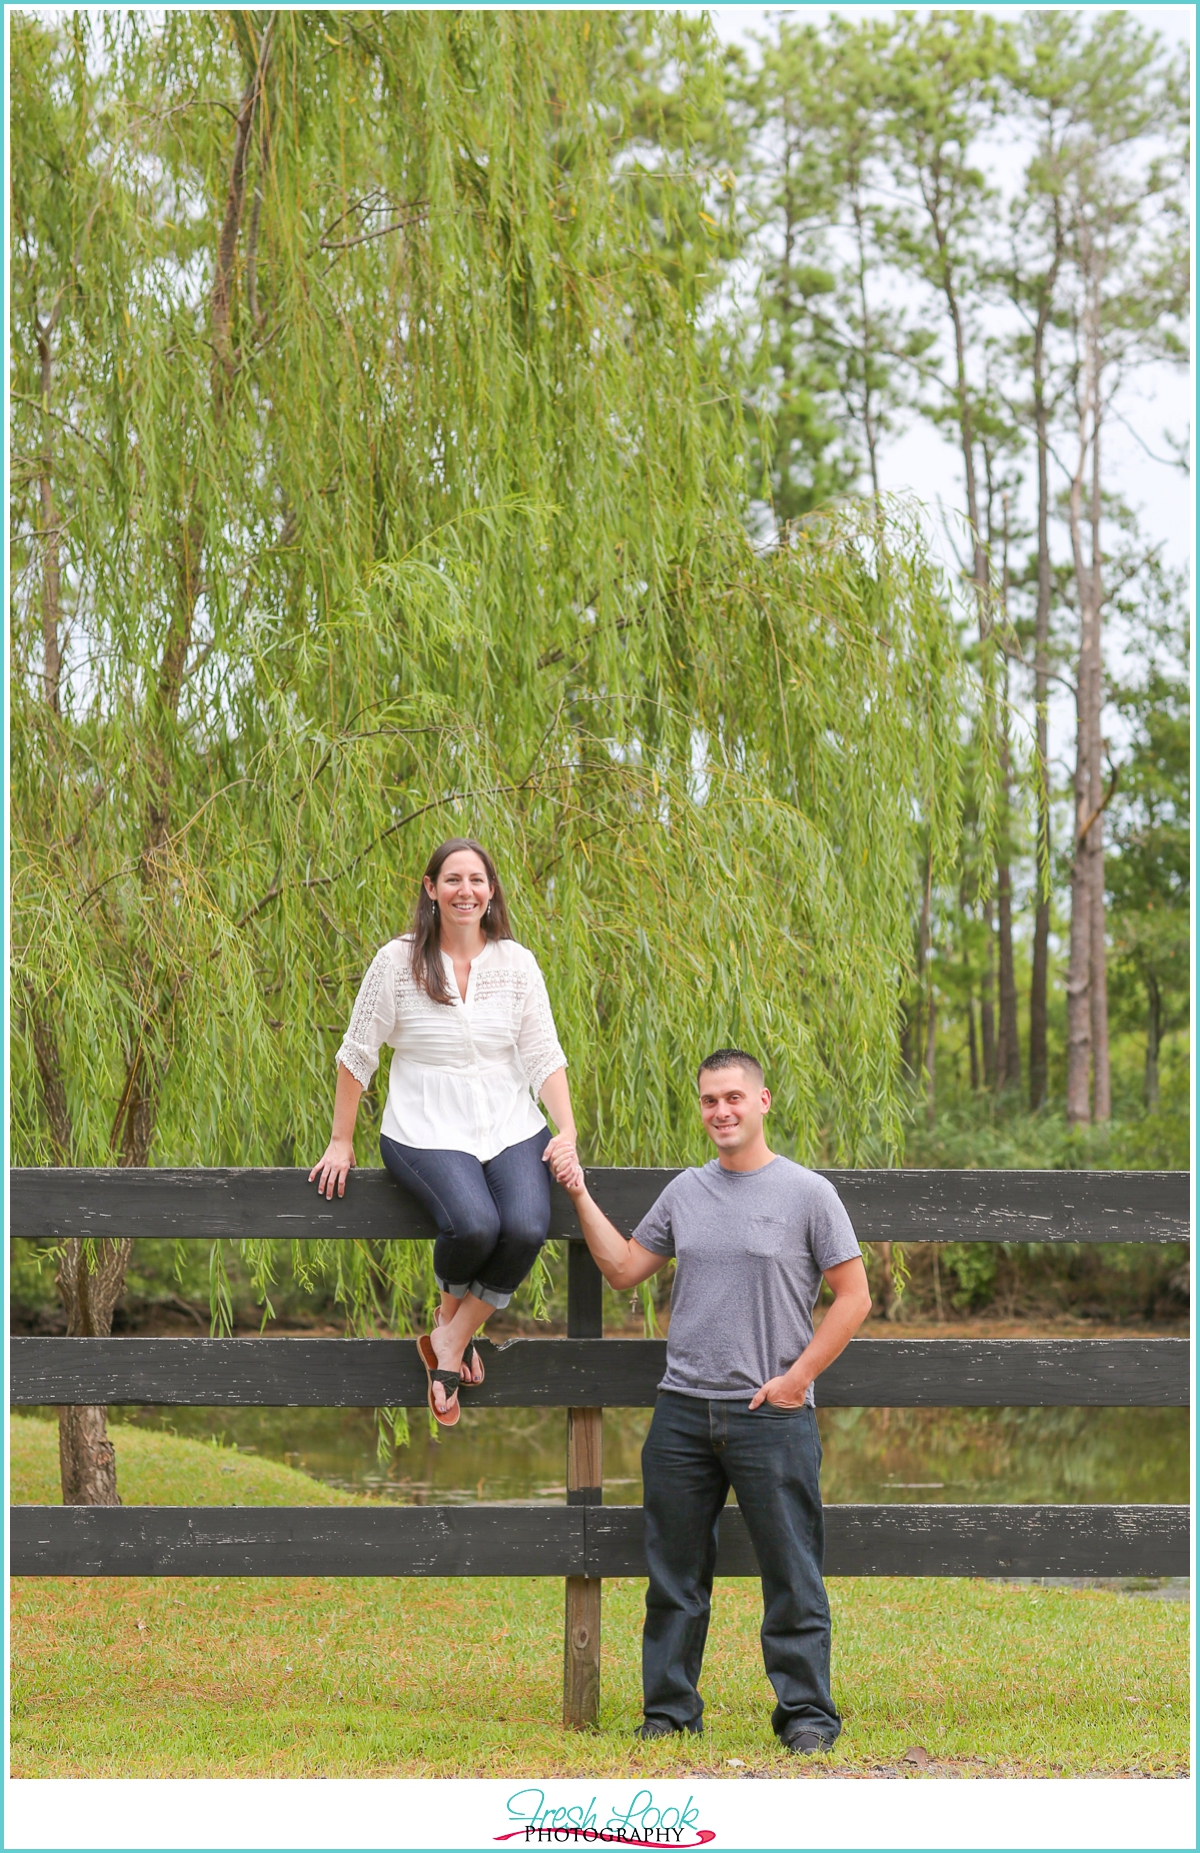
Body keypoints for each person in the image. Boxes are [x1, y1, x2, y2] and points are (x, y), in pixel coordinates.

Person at [550, 1048, 870, 1754]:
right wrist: (577, 1192)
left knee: (792, 1572)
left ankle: (808, 1716)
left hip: (772, 1415)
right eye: (708, 1100)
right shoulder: (686, 1192)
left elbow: (855, 1297)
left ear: (762, 1102)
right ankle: (668, 1713)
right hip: (683, 1414)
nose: (720, 1110)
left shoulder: (808, 1193)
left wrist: (797, 1378)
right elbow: (624, 1268)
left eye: (732, 1097)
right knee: (673, 1575)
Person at [310, 837, 582, 1426]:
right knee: (474, 1223)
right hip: (424, 1125)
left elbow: (543, 1053)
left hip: (510, 1122)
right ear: (431, 890)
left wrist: (567, 1130)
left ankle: (451, 1337)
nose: (466, 891)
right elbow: (357, 1053)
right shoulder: (396, 961)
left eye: (477, 880)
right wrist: (340, 1139)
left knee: (528, 1226)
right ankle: (451, 1330)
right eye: (452, 880)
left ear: (491, 891)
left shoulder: (518, 965)